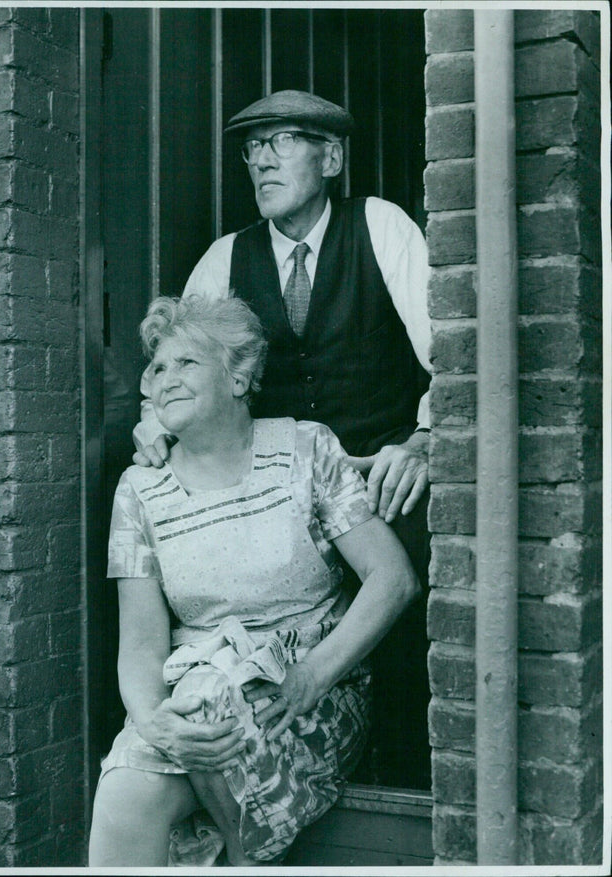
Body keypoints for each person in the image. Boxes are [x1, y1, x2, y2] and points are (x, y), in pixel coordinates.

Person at [134, 90, 433, 788]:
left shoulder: (379, 227)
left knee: (411, 560)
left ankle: (401, 772)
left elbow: (453, 355)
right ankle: (261, 758)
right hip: (279, 486)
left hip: (379, 467)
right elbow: (179, 368)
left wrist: (421, 441)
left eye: (282, 141)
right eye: (252, 147)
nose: (261, 159)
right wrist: (154, 423)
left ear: (330, 158)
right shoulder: (224, 259)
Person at [89, 296, 419, 866]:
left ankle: (247, 855)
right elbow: (141, 647)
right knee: (123, 794)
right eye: (158, 369)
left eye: (186, 363)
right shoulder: (138, 491)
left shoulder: (306, 449)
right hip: (194, 704)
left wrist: (310, 678)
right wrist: (154, 723)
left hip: (306, 696)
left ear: (239, 375)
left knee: (208, 699)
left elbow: (392, 579)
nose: (166, 380)